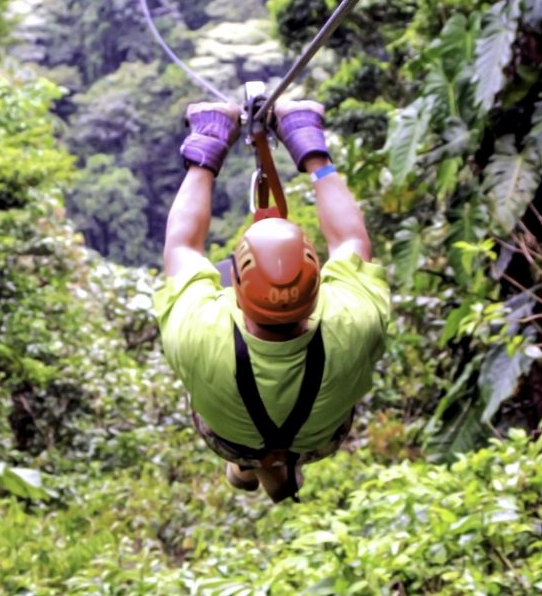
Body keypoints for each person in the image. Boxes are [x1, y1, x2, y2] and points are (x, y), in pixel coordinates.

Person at [153, 98, 391, 503]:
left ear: (238, 291)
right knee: (284, 439)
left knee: (250, 437)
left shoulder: (199, 331)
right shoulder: (355, 319)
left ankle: (250, 466)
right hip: (320, 436)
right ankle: (273, 471)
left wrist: (209, 145)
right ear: (316, 283)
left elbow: (182, 245)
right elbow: (351, 239)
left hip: (227, 437)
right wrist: (308, 145)